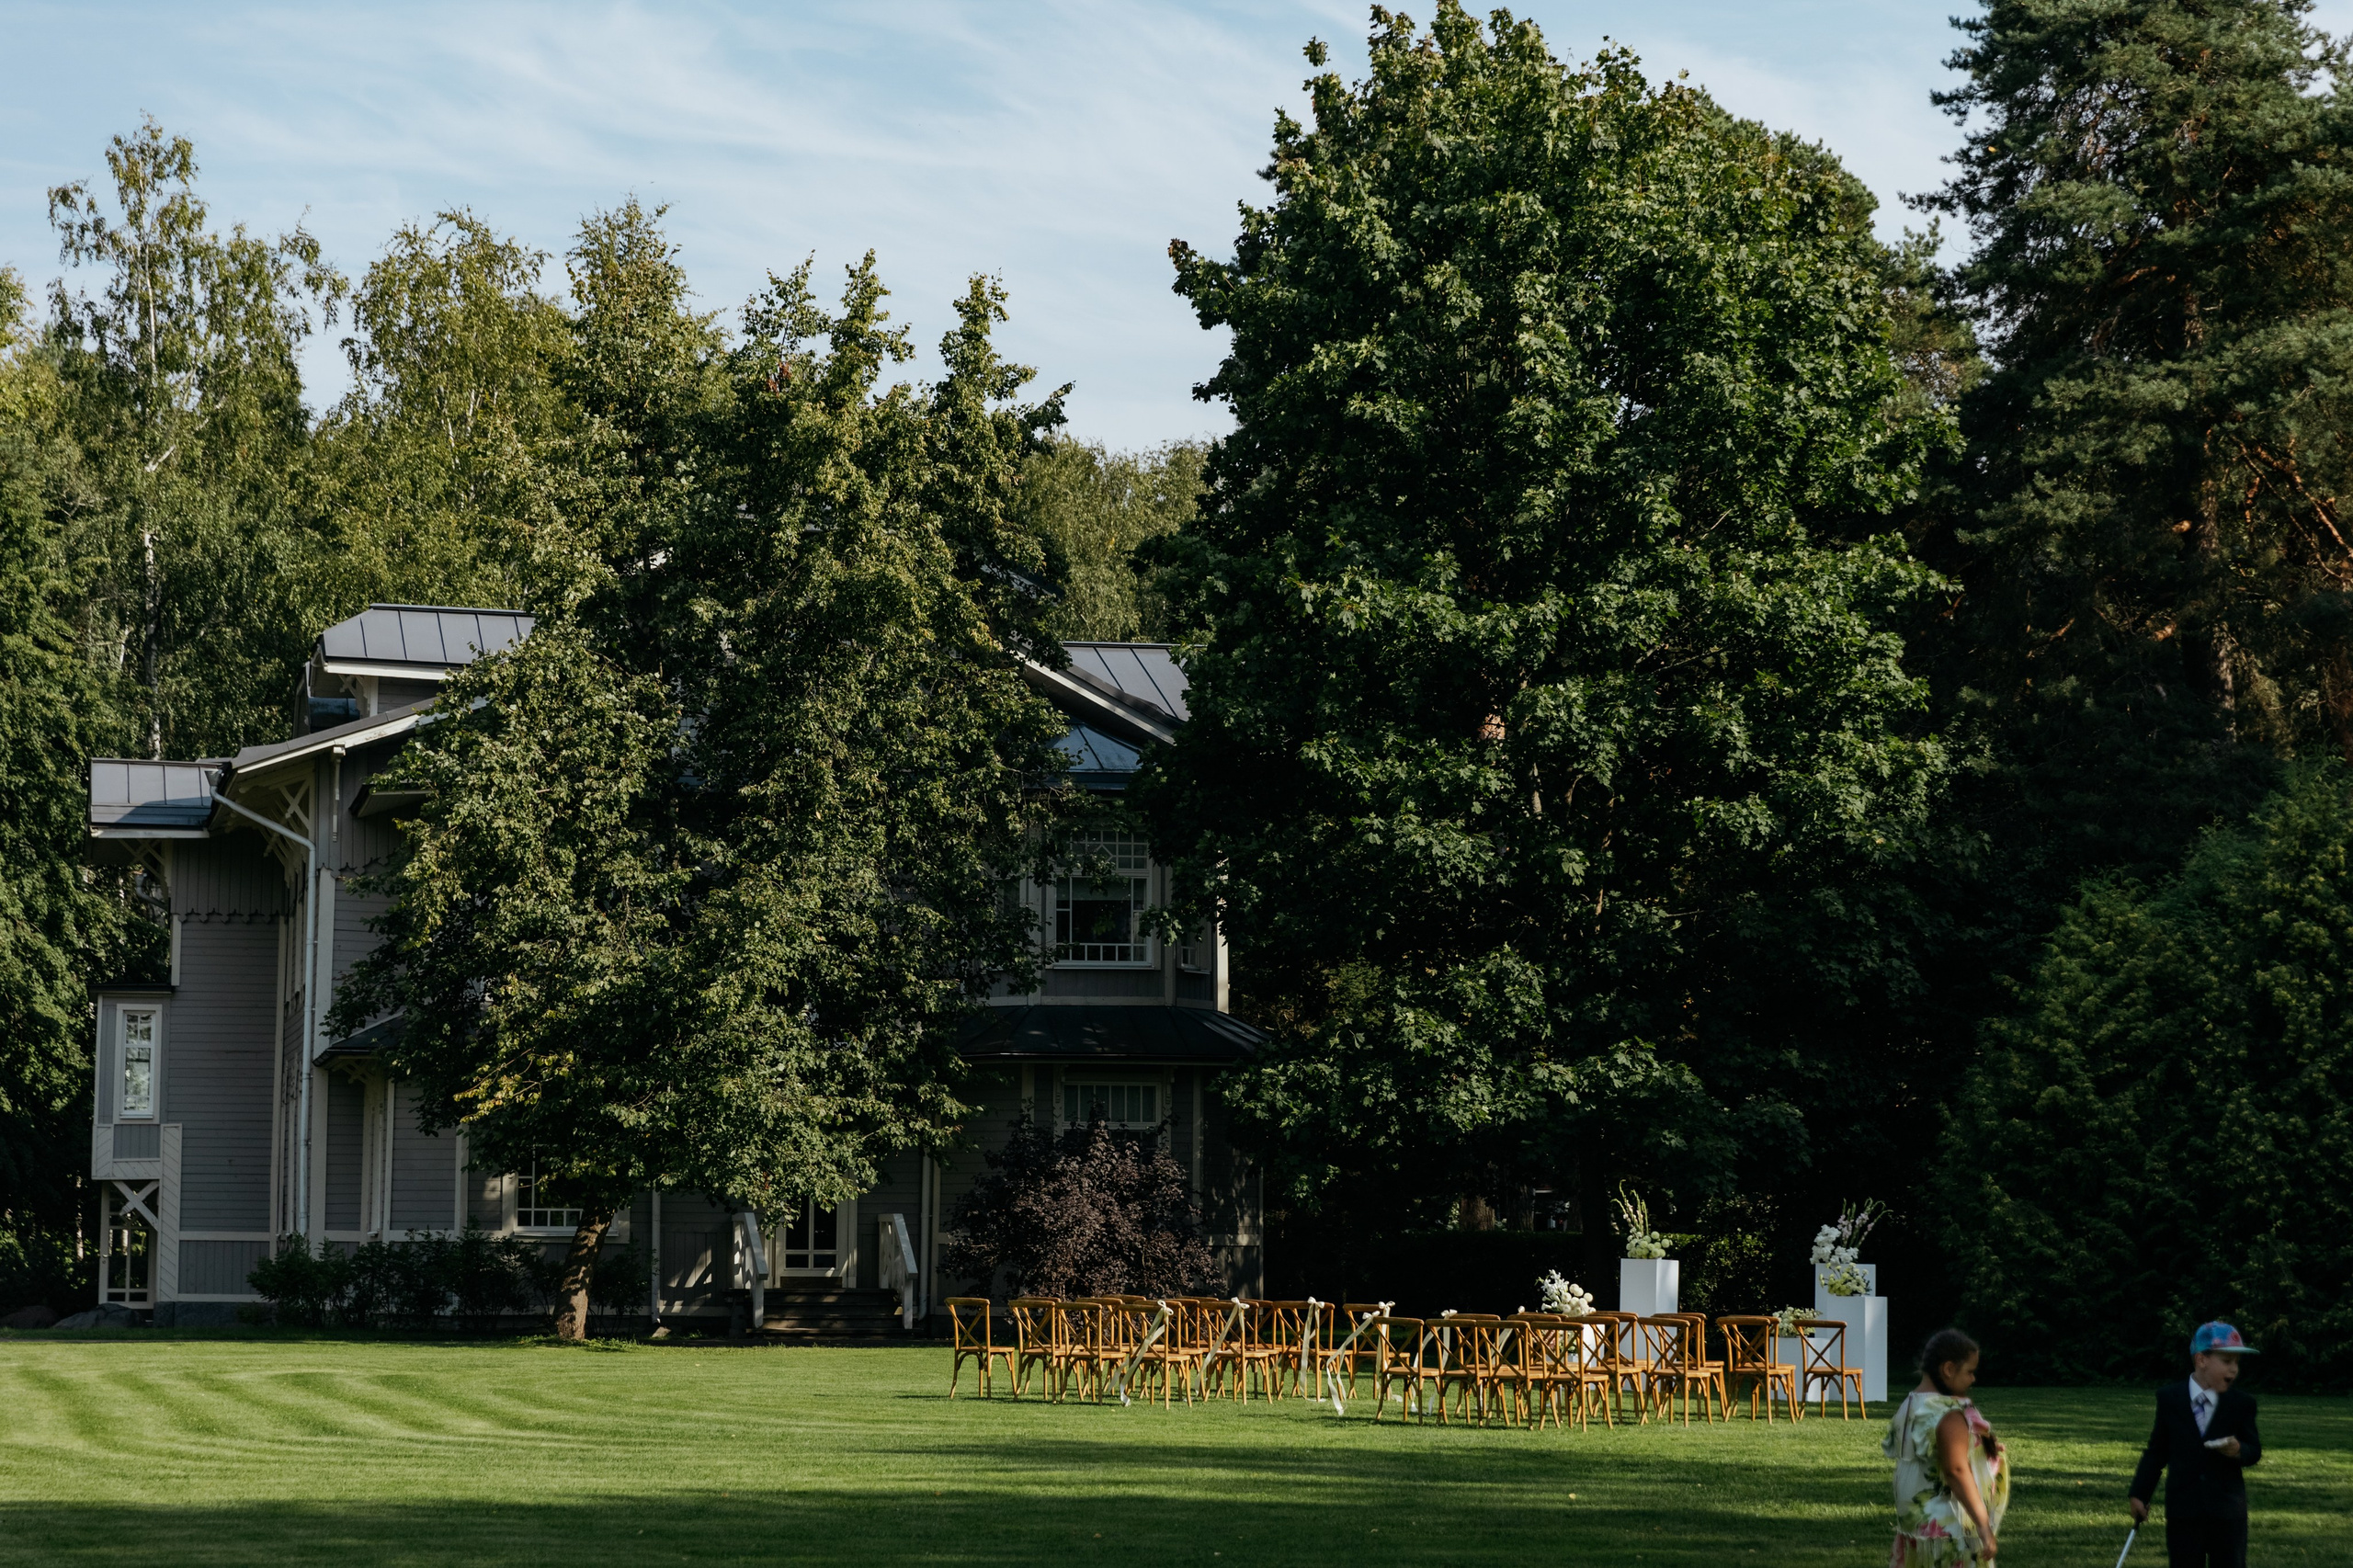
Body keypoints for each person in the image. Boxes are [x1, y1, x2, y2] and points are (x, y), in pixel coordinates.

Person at [2129, 1321, 2264, 1568]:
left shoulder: (2242, 1404)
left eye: (2237, 1362)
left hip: (2227, 1512)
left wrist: (2238, 1450)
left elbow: (2254, 1450)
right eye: (2226, 1361)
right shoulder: (2170, 1398)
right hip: (2184, 1511)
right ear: (2201, 1360)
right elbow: (2157, 1451)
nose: (2234, 1369)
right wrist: (2139, 1493)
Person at [1883, 1327, 2009, 1565]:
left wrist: (1980, 1451)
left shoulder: (1909, 1405)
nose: (1973, 1379)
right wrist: (1983, 1525)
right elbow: (1956, 1470)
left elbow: (1929, 1456)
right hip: (1948, 1532)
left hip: (1915, 1531)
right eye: (1969, 1372)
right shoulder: (1948, 1414)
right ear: (1949, 1369)